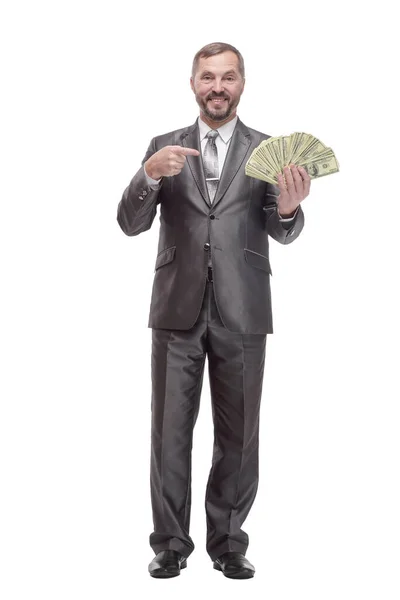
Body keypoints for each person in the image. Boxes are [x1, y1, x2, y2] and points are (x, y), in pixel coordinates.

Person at [117, 42, 311, 580]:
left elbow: (282, 228)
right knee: (169, 432)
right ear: (193, 84)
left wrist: (290, 208)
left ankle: (227, 543)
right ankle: (171, 544)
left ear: (242, 84)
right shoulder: (163, 146)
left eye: (227, 77)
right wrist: (148, 175)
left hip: (243, 309)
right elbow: (129, 223)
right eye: (208, 77)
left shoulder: (268, 149)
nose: (217, 87)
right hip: (176, 308)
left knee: (239, 433)